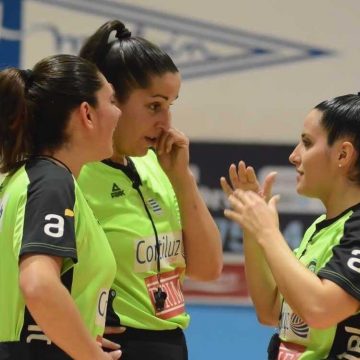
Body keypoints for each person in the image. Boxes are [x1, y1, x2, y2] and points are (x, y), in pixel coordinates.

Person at [77, 20, 223, 359]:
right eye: (154, 106)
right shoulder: (71, 175)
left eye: (170, 105)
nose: (166, 124)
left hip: (171, 341)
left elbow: (207, 268)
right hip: (111, 349)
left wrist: (182, 180)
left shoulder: (157, 166)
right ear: (111, 100)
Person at [0, 54, 122, 360]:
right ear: (87, 114)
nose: (118, 112)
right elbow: (38, 285)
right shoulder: (52, 183)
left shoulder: (25, 179)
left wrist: (78, 338)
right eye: (111, 100)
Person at [221, 94, 360, 359]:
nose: (294, 155)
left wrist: (268, 232)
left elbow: (320, 309)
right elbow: (271, 310)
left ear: (343, 154)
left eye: (306, 143)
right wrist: (254, 230)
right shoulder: (323, 226)